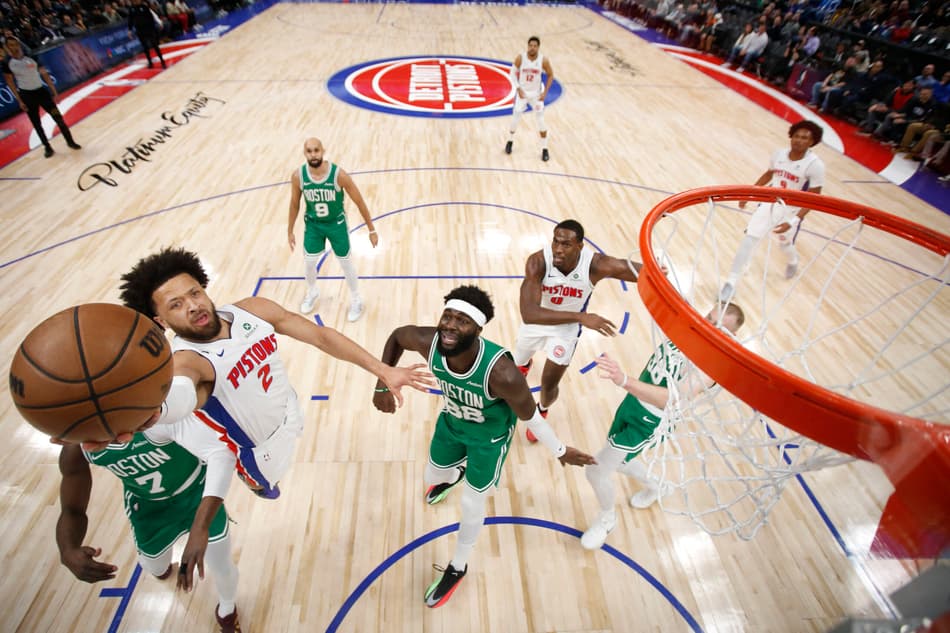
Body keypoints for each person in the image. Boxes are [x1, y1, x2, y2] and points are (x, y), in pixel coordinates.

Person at [118, 247, 430, 498]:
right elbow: (178, 395)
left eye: (195, 293)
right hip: (261, 451)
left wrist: (382, 369)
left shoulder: (253, 309)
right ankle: (253, 483)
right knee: (267, 488)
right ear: (159, 320)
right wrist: (150, 412)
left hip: (288, 407)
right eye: (175, 305)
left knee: (291, 418)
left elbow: (321, 336)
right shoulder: (186, 362)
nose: (193, 306)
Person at [372, 285, 595, 607]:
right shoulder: (428, 342)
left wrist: (561, 451)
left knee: (471, 505)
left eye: (461, 321)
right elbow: (396, 336)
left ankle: (458, 566)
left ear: (477, 329)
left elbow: (531, 417)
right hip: (452, 423)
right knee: (432, 475)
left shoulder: (502, 374)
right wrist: (382, 381)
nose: (449, 325)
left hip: (488, 439)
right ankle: (455, 472)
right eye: (447, 316)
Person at [579, 303, 745, 550]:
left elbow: (671, 398)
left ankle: (607, 519)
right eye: (709, 318)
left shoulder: (711, 367)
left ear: (730, 337)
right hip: (633, 403)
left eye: (719, 327)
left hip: (651, 421)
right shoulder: (690, 331)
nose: (709, 326)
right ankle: (658, 486)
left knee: (595, 470)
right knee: (620, 459)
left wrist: (624, 380)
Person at [57, 415, 242, 632]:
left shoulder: (159, 417)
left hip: (197, 493)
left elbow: (222, 454)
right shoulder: (78, 448)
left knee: (222, 566)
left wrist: (200, 527)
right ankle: (162, 569)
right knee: (155, 567)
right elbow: (72, 509)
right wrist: (67, 549)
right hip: (148, 507)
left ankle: (227, 612)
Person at [512, 219, 641, 441]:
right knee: (518, 362)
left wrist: (659, 272)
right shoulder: (538, 261)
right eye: (556, 242)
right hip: (537, 322)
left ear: (580, 246)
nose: (558, 249)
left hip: (565, 331)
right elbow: (529, 314)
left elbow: (635, 271)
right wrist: (582, 316)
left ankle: (541, 410)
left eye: (566, 244)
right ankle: (525, 364)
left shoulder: (595, 264)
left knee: (549, 383)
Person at [719, 120, 825, 302]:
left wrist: (794, 221)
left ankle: (793, 260)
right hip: (770, 204)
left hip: (792, 209)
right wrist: (749, 193)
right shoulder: (779, 155)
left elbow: (814, 198)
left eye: (805, 138)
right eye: (797, 136)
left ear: (811, 142)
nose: (799, 140)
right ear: (791, 137)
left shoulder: (815, 165)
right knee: (749, 239)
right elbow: (769, 174)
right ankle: (731, 281)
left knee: (784, 244)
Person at [287, 137, 377, 321]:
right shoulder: (298, 176)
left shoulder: (338, 175)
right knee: (309, 262)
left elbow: (359, 201)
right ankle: (312, 292)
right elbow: (294, 203)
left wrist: (372, 230)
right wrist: (290, 230)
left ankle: (356, 299)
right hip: (313, 225)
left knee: (346, 263)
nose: (313, 154)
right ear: (305, 153)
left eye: (316, 150)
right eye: (309, 151)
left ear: (323, 150)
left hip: (336, 224)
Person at [2, 37, 81, 158]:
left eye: (15, 44)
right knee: (37, 124)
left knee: (58, 118)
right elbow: (10, 82)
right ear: (7, 47)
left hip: (42, 93)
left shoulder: (32, 57)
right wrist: (19, 100)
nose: (13, 47)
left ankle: (70, 141)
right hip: (27, 96)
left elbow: (44, 74)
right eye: (10, 45)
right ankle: (47, 147)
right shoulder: (7, 63)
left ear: (19, 44)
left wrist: (54, 92)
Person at [504, 36, 554, 161]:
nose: (532, 48)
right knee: (515, 120)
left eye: (535, 46)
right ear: (528, 46)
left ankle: (544, 149)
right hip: (523, 94)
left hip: (536, 95)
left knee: (541, 121)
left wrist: (545, 92)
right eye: (530, 45)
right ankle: (510, 141)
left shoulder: (543, 60)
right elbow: (512, 73)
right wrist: (518, 88)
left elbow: (551, 75)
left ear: (538, 47)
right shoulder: (521, 58)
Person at [127, 0, 165, 70]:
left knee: (154, 45)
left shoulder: (144, 7)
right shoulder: (131, 9)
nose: (136, 1)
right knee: (145, 47)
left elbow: (150, 17)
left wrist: (153, 27)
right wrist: (129, 30)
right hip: (140, 30)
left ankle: (162, 61)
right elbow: (130, 20)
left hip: (149, 29)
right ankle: (150, 62)